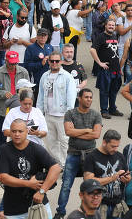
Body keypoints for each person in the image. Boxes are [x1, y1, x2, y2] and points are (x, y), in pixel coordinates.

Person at [0, 118, 61, 219]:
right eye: (14, 131)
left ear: (27, 131)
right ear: (10, 132)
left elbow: (56, 168)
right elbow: (3, 177)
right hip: (13, 209)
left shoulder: (36, 148)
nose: (17, 134)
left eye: (20, 131)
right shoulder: (3, 150)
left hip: (38, 204)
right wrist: (28, 184)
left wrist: (42, 191)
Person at [56, 88, 103, 219]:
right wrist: (88, 130)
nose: (89, 100)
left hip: (90, 155)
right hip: (73, 153)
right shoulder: (70, 113)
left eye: (90, 97)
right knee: (66, 185)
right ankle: (60, 212)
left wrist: (78, 131)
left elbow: (97, 134)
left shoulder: (96, 115)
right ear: (79, 98)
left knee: (93, 186)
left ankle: (94, 211)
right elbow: (68, 132)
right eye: (86, 97)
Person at [36, 49, 76, 166]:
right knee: (50, 142)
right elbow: (40, 96)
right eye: (51, 61)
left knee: (64, 141)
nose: (54, 63)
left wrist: (69, 117)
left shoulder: (67, 77)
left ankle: (65, 164)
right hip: (48, 115)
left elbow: (71, 98)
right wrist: (39, 115)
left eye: (56, 61)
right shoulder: (44, 76)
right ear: (48, 62)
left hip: (62, 115)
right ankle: (58, 163)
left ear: (60, 61)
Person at [82, 129, 131, 219]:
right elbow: (88, 182)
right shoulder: (91, 157)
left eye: (117, 146)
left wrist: (127, 178)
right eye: (113, 146)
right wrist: (112, 178)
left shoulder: (120, 156)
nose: (115, 149)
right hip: (98, 206)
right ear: (104, 142)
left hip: (117, 205)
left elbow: (127, 174)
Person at [0, 50, 30, 145]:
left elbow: (28, 89)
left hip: (20, 108)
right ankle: (2, 156)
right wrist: (3, 93)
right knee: (3, 134)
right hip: (4, 110)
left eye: (15, 63)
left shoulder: (23, 72)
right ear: (5, 61)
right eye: (11, 63)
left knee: (20, 134)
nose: (13, 66)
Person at [91, 17, 123, 118]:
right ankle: (104, 110)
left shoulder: (114, 36)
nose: (111, 26)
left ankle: (112, 109)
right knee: (104, 91)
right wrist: (99, 63)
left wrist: (119, 67)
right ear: (105, 26)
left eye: (113, 25)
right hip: (105, 70)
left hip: (116, 69)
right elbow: (92, 50)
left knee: (114, 91)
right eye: (109, 25)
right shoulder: (101, 37)